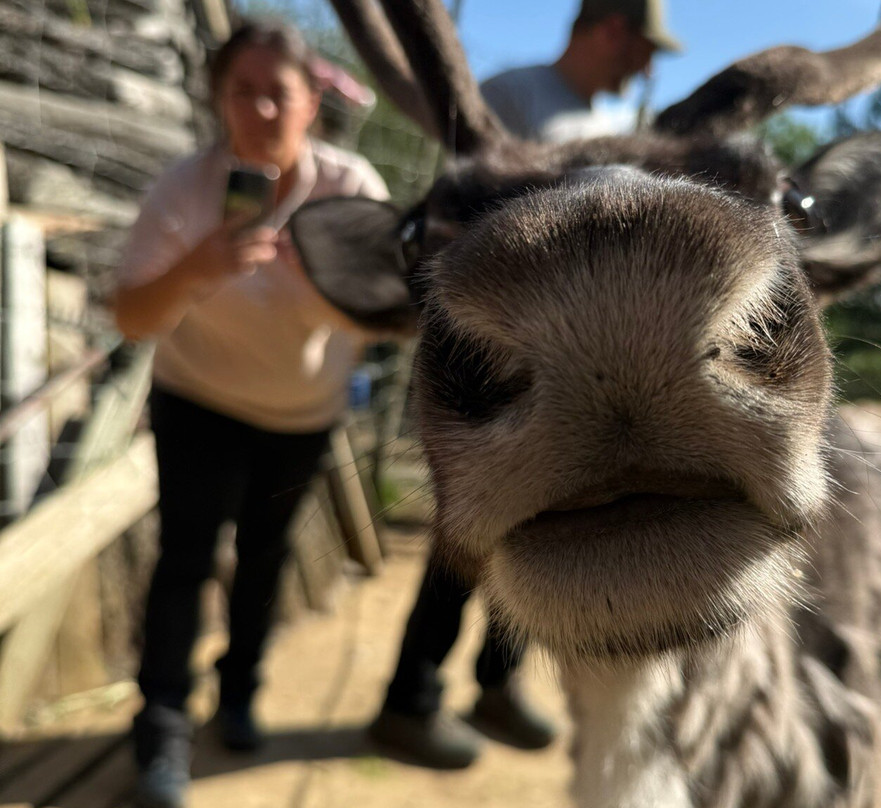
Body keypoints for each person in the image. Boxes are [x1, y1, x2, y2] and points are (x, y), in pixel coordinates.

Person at [368, 0, 682, 770]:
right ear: (610, 28)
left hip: (582, 361)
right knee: (462, 541)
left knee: (543, 524)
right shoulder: (512, 98)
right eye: (645, 50)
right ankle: (408, 700)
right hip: (495, 361)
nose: (647, 68)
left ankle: (496, 682)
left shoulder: (598, 114)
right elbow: (461, 220)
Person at [112, 20, 389, 808]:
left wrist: (328, 288)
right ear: (218, 100)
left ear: (313, 103)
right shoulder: (185, 188)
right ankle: (161, 723)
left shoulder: (349, 187)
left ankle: (239, 695)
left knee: (264, 559)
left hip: (303, 415)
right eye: (244, 91)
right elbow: (131, 315)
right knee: (185, 558)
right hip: (198, 400)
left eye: (280, 92)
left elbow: (394, 319)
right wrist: (198, 267)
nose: (262, 108)